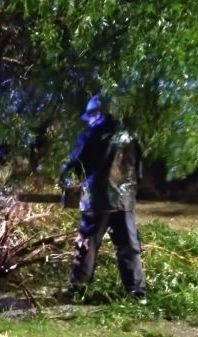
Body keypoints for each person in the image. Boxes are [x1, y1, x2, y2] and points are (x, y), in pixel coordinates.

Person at [59, 95, 147, 304]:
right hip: (124, 201)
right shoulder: (130, 136)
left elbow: (76, 165)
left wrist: (65, 177)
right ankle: (137, 293)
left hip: (97, 199)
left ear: (98, 114)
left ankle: (78, 289)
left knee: (88, 243)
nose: (88, 120)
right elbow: (139, 170)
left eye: (89, 115)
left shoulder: (91, 135)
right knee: (128, 245)